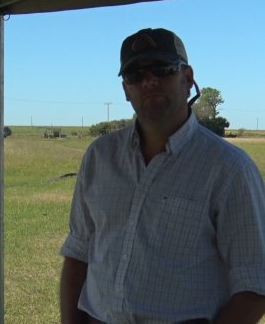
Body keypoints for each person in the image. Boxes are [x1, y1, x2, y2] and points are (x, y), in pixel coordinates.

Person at [60, 28, 265, 323]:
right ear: (125, 90)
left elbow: (255, 285)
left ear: (188, 78)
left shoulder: (230, 169)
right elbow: (79, 253)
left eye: (163, 68)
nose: (149, 81)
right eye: (135, 74)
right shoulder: (99, 156)